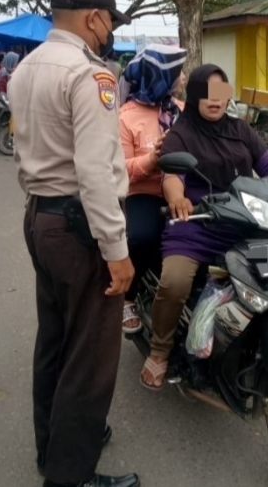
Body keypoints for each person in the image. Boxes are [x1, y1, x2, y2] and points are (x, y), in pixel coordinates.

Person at [9, 0, 139, 487]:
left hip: (40, 216)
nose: (109, 32)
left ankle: (54, 447)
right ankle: (70, 476)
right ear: (93, 18)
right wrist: (117, 249)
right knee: (91, 354)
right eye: (110, 21)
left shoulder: (25, 68)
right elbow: (94, 170)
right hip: (80, 224)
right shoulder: (92, 75)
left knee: (55, 342)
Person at [139, 64, 268, 390]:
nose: (215, 100)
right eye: (206, 94)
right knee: (176, 281)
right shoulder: (182, 134)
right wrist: (178, 198)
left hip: (244, 221)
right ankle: (159, 350)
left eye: (221, 93)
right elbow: (172, 176)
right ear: (194, 96)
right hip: (197, 223)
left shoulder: (241, 129)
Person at [117, 46, 187, 334]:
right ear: (161, 76)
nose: (182, 79)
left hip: (183, 188)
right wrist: (152, 159)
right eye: (177, 73)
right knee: (144, 236)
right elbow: (118, 169)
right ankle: (128, 298)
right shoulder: (126, 116)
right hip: (142, 191)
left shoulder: (181, 110)